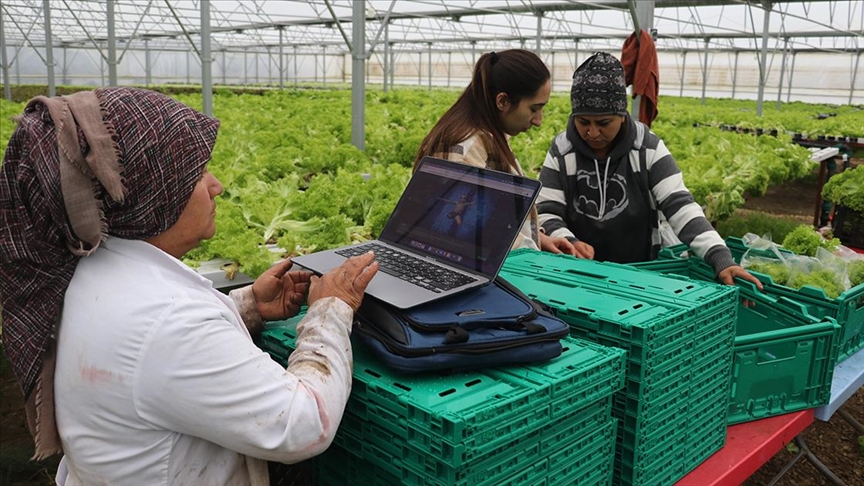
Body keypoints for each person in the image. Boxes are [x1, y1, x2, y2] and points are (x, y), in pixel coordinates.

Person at [0, 87, 379, 485]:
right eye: (197, 175)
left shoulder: (91, 267)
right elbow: (303, 426)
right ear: (156, 197)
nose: (215, 186)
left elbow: (160, 359)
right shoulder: (167, 320)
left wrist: (248, 305)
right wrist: (331, 310)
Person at [536, 52, 761, 287]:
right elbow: (547, 212)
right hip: (576, 274)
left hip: (640, 273)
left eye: (603, 123)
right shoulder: (562, 150)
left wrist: (721, 258)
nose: (592, 133)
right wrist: (568, 240)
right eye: (583, 122)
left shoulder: (647, 148)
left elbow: (680, 205)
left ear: (622, 115)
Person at [414, 49, 577, 254]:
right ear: (502, 101)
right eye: (534, 109)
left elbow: (494, 219)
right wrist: (528, 248)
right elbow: (464, 236)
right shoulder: (463, 150)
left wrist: (538, 238)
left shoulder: (488, 136)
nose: (538, 120)